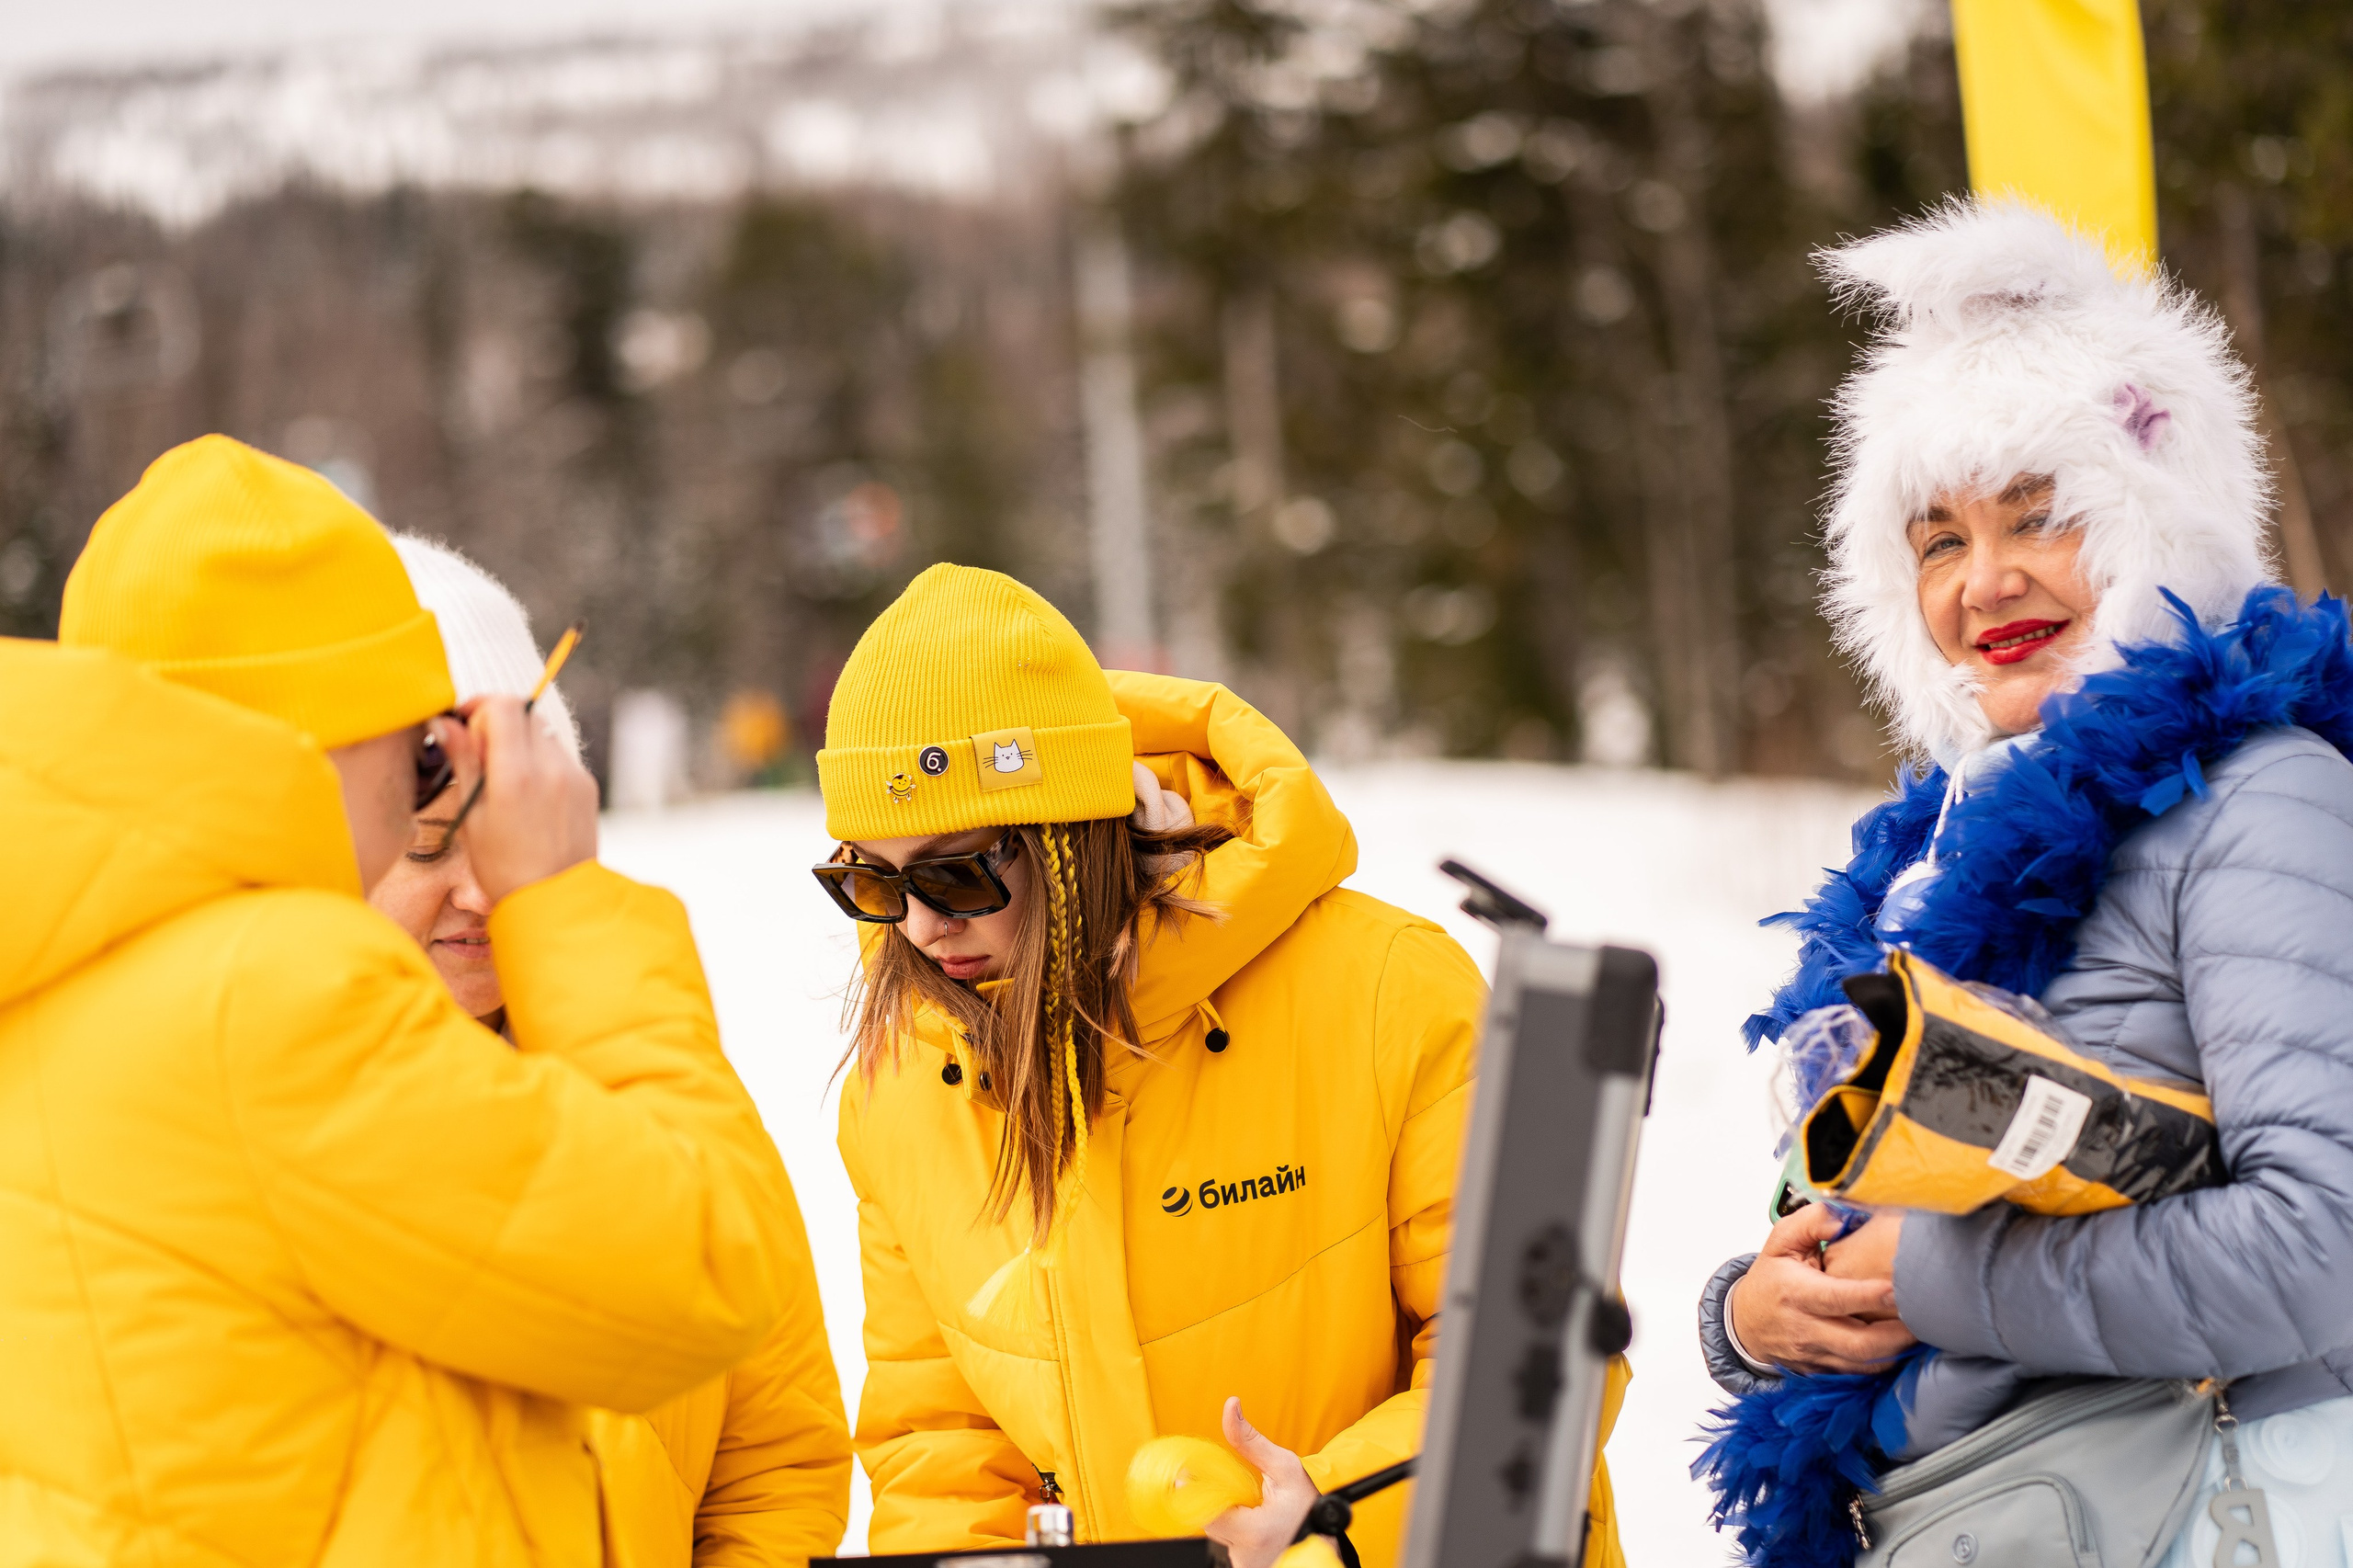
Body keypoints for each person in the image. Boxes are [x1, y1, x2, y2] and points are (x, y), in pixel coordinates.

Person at [0, 436, 803, 1564]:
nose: (448, 797)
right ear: (328, 740)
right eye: (427, 757)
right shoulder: (274, 996)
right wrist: (564, 898)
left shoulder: (60, 963)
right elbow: (705, 1271)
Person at [1696, 201, 2353, 1561]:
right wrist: (1752, 1316)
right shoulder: (1927, 851)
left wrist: (1937, 1285)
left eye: (2038, 517)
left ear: (2151, 521)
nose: (1984, 582)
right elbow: (1861, 1213)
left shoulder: (2265, 792)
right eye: (1937, 539)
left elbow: (2327, 1238)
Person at [820, 564, 1627, 1568]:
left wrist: (1331, 1515)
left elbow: (1535, 1362)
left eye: (958, 870)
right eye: (867, 877)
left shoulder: (1384, 987)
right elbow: (939, 1445)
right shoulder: (900, 1080)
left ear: (1076, 833)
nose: (924, 922)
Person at [373, 534, 854, 1566]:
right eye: (425, 842)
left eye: (507, 831)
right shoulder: (276, 1106)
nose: (477, 887)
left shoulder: (659, 1074)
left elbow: (776, 1459)